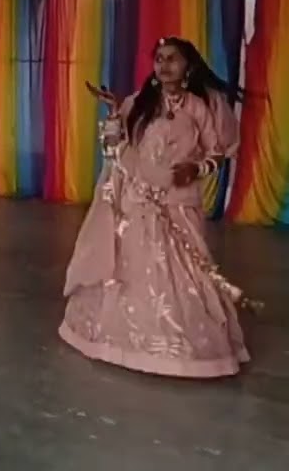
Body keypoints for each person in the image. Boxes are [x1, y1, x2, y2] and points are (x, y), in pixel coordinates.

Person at [60, 36, 250, 378]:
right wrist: (113, 112)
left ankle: (185, 347)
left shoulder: (199, 107)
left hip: (180, 201)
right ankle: (124, 342)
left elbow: (218, 153)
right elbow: (114, 147)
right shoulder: (139, 103)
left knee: (186, 272)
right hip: (139, 200)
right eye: (159, 58)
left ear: (188, 66)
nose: (164, 65)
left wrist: (197, 169)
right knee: (133, 269)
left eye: (172, 58)